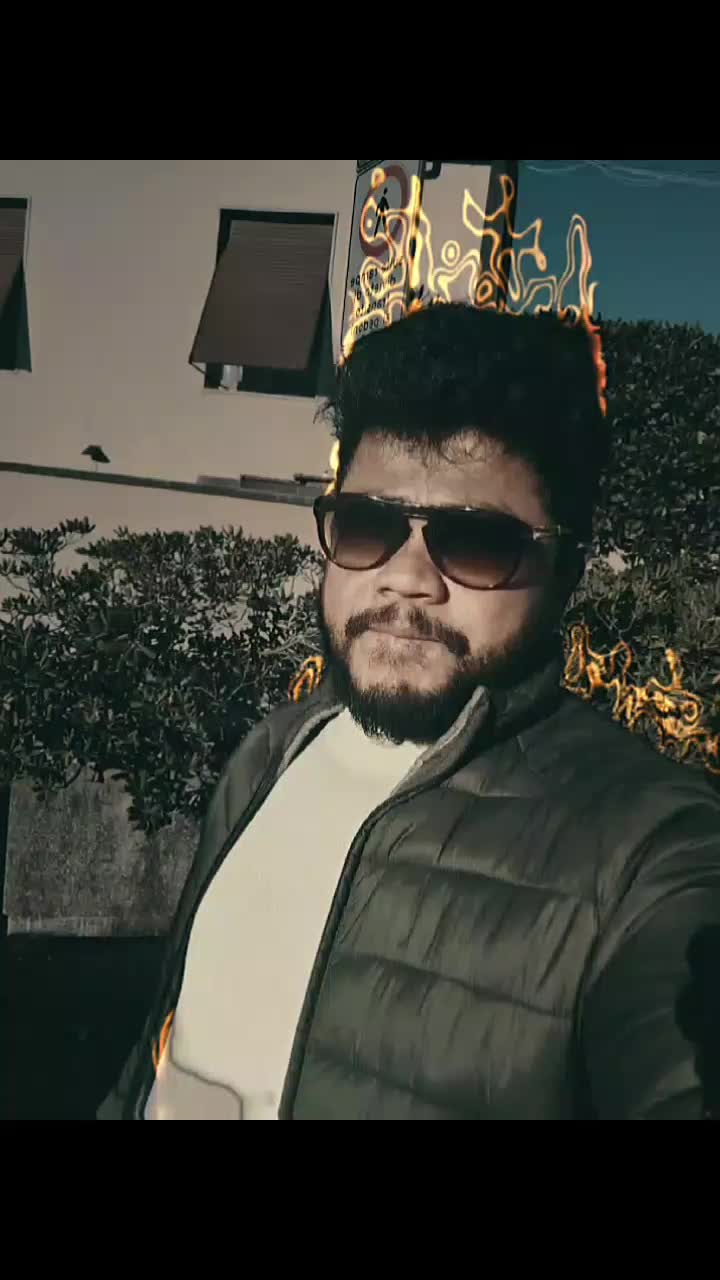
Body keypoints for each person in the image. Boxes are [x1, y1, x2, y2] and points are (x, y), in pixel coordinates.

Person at [98, 303, 720, 1120]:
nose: (406, 579)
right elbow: (162, 1049)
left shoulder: (653, 847)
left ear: (566, 571)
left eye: (478, 542)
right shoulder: (274, 753)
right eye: (368, 525)